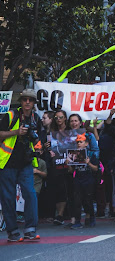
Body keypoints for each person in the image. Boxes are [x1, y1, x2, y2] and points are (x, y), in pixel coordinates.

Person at [0, 88, 43, 242]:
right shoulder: (11, 115)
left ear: (33, 103)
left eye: (30, 100)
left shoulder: (36, 118)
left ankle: (31, 229)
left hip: (25, 163)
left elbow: (37, 139)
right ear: (21, 101)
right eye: (25, 99)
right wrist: (16, 132)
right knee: (8, 198)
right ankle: (12, 231)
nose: (27, 102)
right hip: (7, 163)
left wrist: (39, 148)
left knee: (30, 194)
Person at [69, 133, 99, 229]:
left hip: (88, 179)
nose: (78, 144)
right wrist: (68, 163)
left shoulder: (91, 154)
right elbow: (71, 170)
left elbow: (96, 169)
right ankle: (77, 221)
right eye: (77, 142)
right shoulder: (74, 154)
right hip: (78, 178)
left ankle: (91, 217)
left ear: (86, 143)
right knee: (77, 200)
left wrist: (89, 163)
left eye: (80, 142)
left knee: (88, 200)